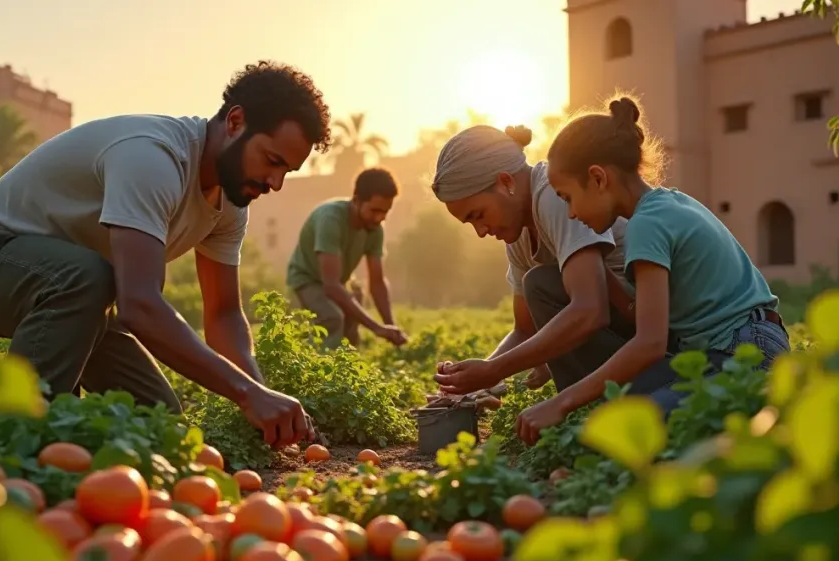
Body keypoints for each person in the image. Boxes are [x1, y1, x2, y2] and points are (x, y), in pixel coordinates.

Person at [0, 61, 333, 448]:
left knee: (163, 427)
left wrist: (261, 398)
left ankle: (65, 449)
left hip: (82, 296)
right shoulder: (153, 158)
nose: (276, 183)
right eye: (272, 161)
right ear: (235, 122)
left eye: (288, 171)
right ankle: (5, 444)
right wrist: (249, 396)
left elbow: (224, 315)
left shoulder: (231, 202)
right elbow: (139, 306)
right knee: (88, 278)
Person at [514, 95, 791, 443]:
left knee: (628, 429)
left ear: (598, 178)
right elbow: (640, 316)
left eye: (567, 197)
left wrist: (562, 401)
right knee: (611, 411)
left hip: (744, 352)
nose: (570, 214)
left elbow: (649, 343)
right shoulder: (668, 203)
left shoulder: (647, 225)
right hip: (735, 347)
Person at [427, 123, 643, 404]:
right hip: (620, 332)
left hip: (645, 324)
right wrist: (472, 384)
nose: (480, 231)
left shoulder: (554, 197)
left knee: (541, 284)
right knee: (540, 285)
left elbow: (591, 310)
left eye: (478, 215)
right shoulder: (517, 232)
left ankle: (600, 405)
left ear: (506, 183)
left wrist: (494, 371)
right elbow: (524, 330)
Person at [286, 167, 408, 348]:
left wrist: (390, 327)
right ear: (357, 200)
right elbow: (331, 286)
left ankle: (347, 372)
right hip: (307, 279)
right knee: (332, 318)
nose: (379, 218)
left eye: (385, 212)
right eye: (374, 210)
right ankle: (319, 371)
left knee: (352, 325)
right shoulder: (330, 219)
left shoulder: (375, 229)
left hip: (337, 282)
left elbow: (377, 283)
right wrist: (376, 328)